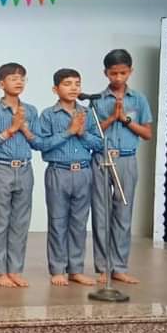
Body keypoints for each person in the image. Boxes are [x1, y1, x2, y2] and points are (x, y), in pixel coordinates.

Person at [90, 49, 153, 285]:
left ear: (130, 71)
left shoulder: (139, 99)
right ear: (105, 73)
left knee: (123, 214)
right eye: (113, 73)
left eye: (123, 73)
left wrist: (125, 119)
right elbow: (90, 133)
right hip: (101, 157)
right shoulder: (96, 100)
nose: (118, 77)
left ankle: (119, 266)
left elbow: (147, 133)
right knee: (101, 213)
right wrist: (111, 118)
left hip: (127, 159)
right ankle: (103, 267)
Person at [37, 68, 102, 286]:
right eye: (67, 84)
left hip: (83, 171)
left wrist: (82, 132)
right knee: (58, 222)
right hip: (59, 171)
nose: (73, 88)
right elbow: (41, 144)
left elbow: (99, 143)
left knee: (79, 223)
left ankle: (76, 269)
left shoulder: (87, 113)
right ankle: (57, 269)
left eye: (77, 83)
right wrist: (68, 132)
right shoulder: (48, 115)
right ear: (55, 89)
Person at [0, 63, 43, 288]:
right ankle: (0, 272)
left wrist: (24, 128)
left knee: (20, 223)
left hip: (25, 169)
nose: (18, 82)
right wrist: (10, 130)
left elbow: (39, 143)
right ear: (1, 84)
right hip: (2, 169)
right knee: (0, 223)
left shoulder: (31, 111)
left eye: (22, 78)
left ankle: (15, 269)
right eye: (13, 78)